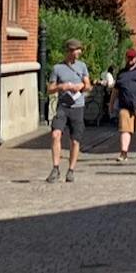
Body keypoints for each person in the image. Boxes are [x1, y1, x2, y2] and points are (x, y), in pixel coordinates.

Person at [45, 40, 91, 184]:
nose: (79, 53)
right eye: (77, 50)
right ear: (69, 51)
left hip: (77, 107)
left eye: (79, 50)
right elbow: (49, 89)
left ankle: (71, 169)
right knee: (55, 134)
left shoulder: (82, 66)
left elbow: (88, 86)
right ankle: (55, 168)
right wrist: (61, 87)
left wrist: (81, 86)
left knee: (75, 140)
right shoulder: (57, 68)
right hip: (63, 106)